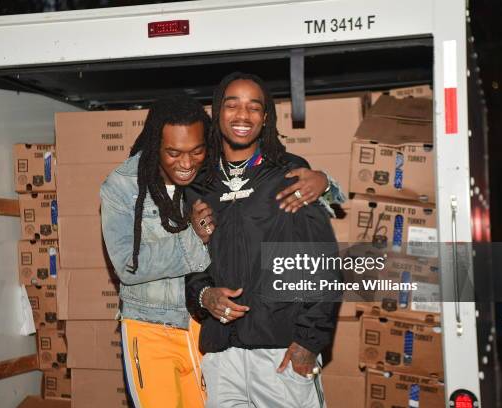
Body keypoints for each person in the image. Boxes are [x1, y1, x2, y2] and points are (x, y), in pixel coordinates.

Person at [100, 93, 336, 408]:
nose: (185, 163)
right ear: (156, 144)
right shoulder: (124, 186)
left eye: (196, 150)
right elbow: (128, 266)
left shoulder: (209, 174)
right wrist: (194, 236)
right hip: (151, 325)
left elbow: (263, 173)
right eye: (173, 152)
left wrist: (326, 183)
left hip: (203, 330)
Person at [185, 72, 341, 408]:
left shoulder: (290, 173)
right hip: (221, 355)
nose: (243, 115)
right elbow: (193, 264)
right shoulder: (201, 186)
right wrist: (204, 294)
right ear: (217, 112)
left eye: (253, 107)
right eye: (232, 105)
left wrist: (309, 342)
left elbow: (323, 264)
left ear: (265, 118)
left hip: (281, 353)